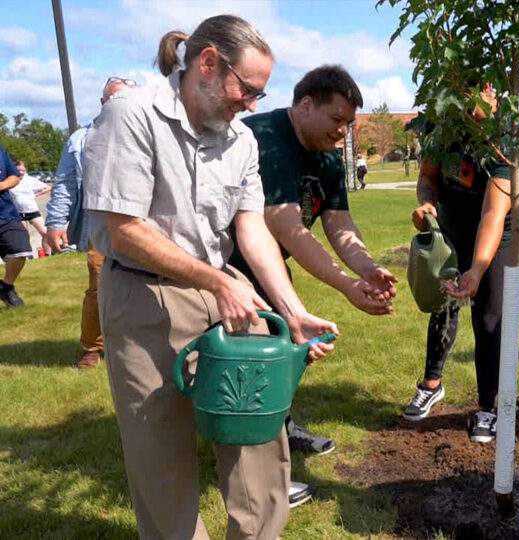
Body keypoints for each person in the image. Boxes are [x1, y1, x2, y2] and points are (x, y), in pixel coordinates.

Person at [82, 16, 337, 539]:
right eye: (247, 90)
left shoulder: (240, 141)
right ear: (207, 64)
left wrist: (291, 311)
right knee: (161, 452)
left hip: (226, 294)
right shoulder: (130, 118)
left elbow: (252, 228)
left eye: (260, 94)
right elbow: (125, 230)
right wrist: (216, 281)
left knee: (258, 436)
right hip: (142, 295)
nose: (252, 105)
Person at [228, 65, 397, 495]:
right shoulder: (265, 138)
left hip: (266, 262)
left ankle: (279, 432)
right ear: (305, 105)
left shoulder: (326, 156)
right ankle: (259, 474)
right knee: (247, 361)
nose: (343, 131)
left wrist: (366, 269)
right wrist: (345, 286)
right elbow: (286, 226)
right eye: (336, 119)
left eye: (349, 123)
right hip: (222, 263)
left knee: (282, 350)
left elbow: (339, 223)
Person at [404, 83, 519, 444]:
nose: (460, 103)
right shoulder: (439, 128)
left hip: (499, 234)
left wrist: (476, 269)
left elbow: (493, 213)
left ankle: (489, 406)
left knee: (489, 315)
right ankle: (432, 384)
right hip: (452, 227)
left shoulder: (507, 138)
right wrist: (427, 204)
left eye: (470, 92)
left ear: (491, 91)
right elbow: (427, 179)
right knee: (443, 303)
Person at [45, 76, 137, 369]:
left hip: (143, 225)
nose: (118, 106)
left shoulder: (145, 134)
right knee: (99, 287)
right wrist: (55, 222)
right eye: (112, 100)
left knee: (143, 287)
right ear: (102, 103)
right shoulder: (80, 139)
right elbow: (65, 182)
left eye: (124, 99)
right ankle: (92, 347)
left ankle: (136, 344)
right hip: (101, 226)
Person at [0, 143, 30, 308]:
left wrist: (2, 185)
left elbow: (15, 176)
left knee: (21, 249)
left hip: (5, 214)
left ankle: (6, 286)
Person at [11, 161, 51, 245]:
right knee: (24, 236)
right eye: (18, 170)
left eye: (23, 170)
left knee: (45, 232)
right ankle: (29, 256)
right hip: (18, 212)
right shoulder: (11, 180)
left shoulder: (30, 180)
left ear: (26, 170)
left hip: (32, 210)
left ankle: (47, 254)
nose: (20, 172)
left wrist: (37, 194)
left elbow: (48, 187)